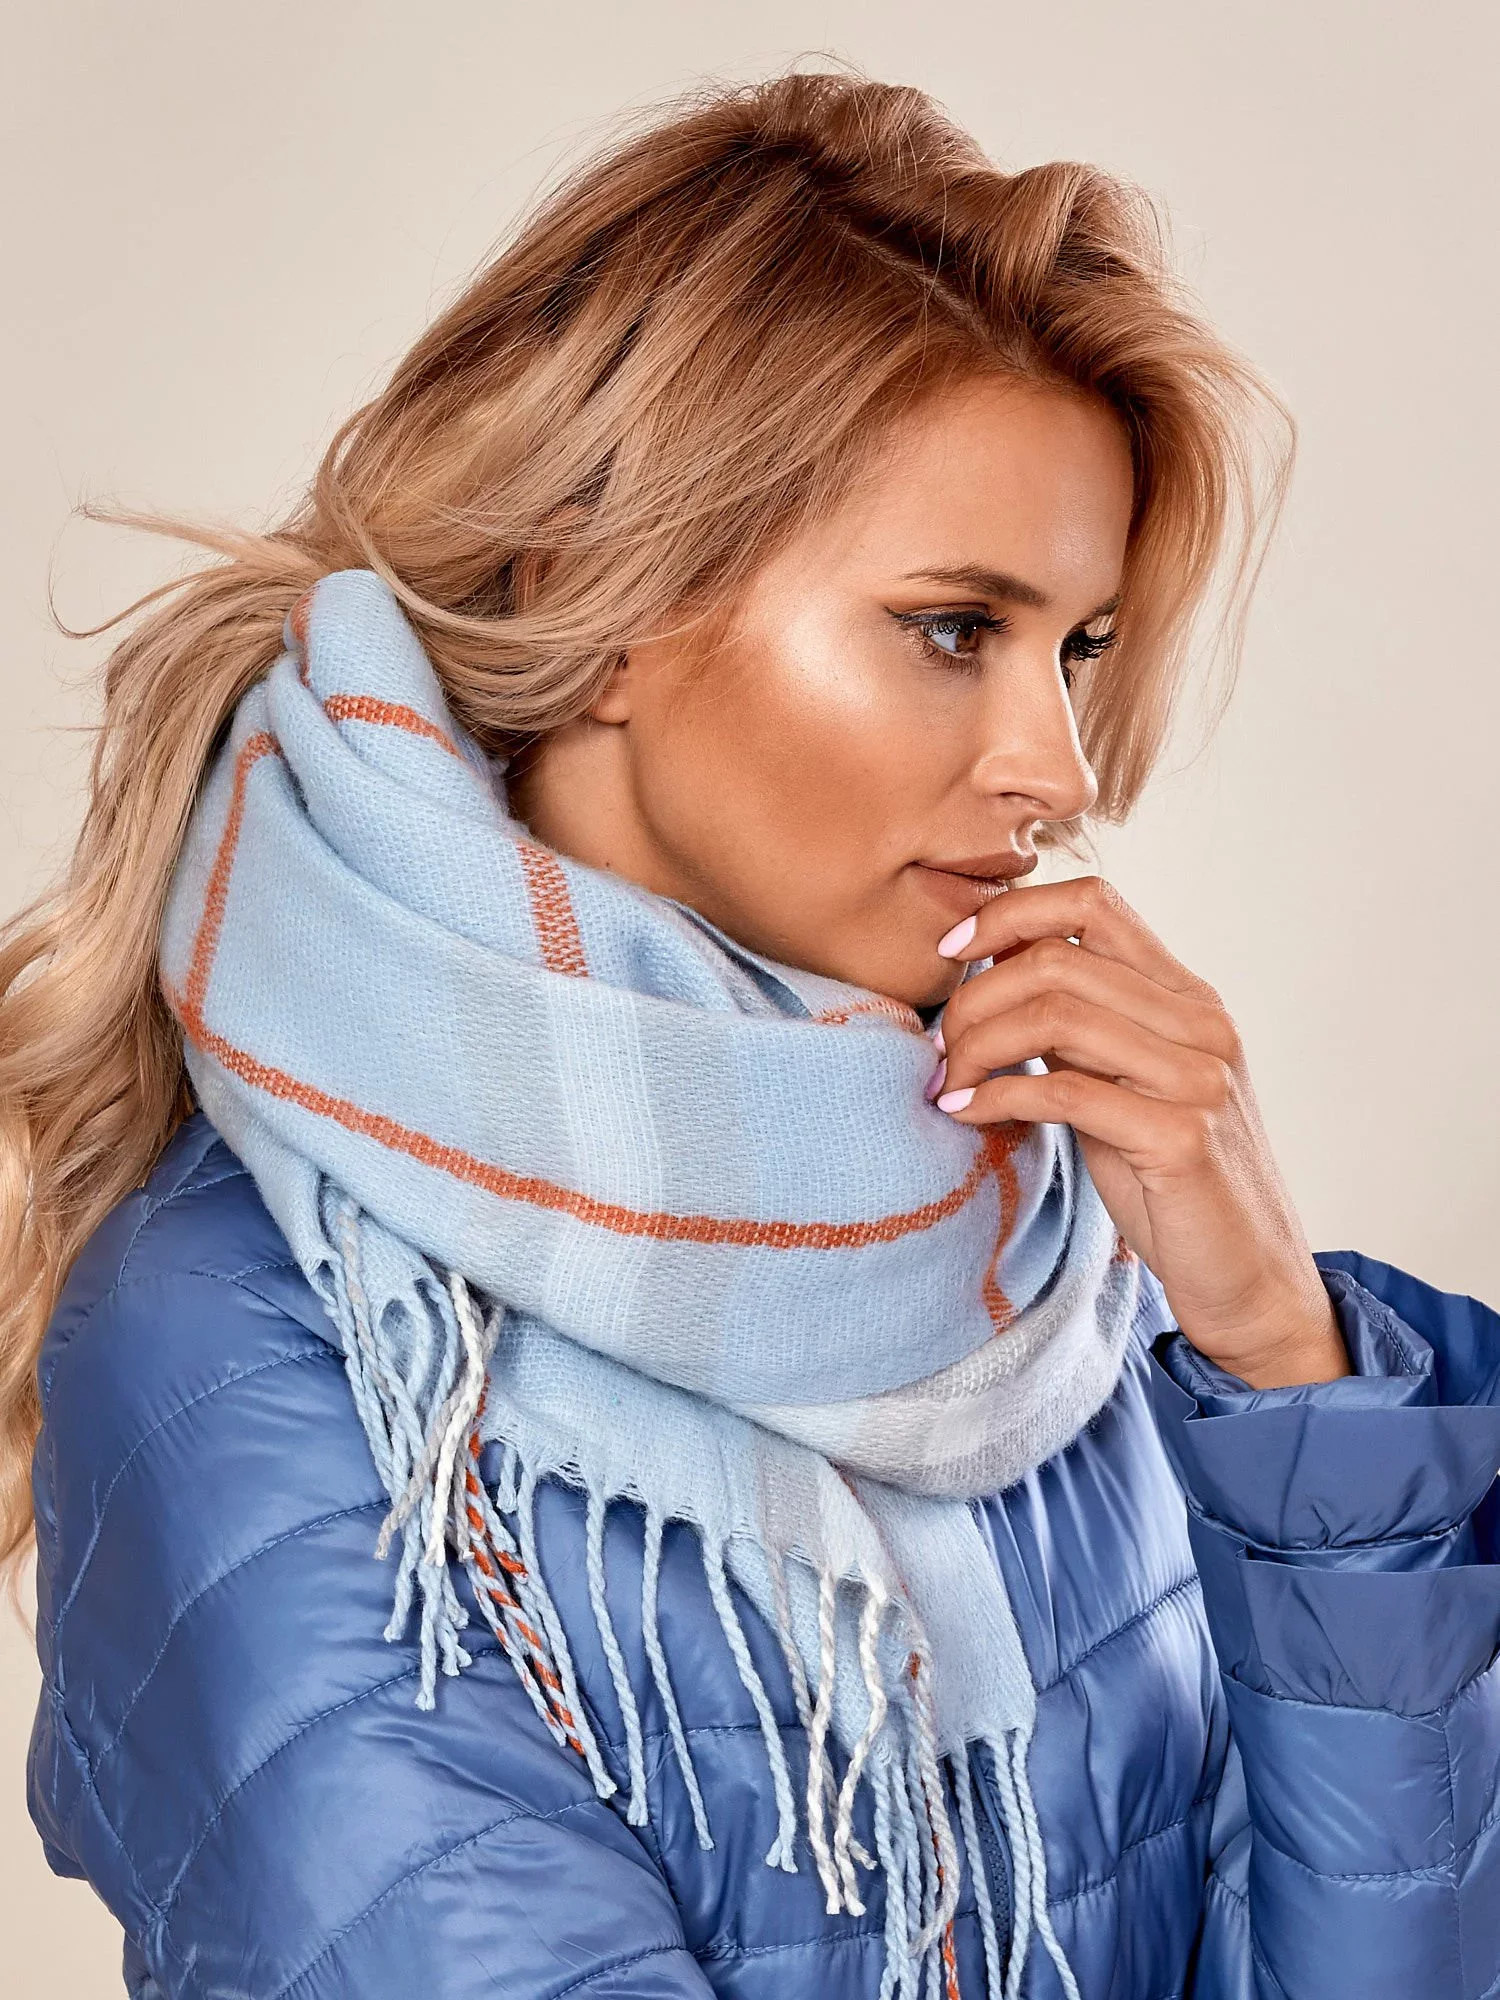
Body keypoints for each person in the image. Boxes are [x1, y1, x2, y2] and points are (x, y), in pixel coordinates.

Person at [4, 68, 1497, 2000]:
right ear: (599, 594)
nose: (1057, 767)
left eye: (1079, 649)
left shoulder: (1051, 1254)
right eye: (954, 627)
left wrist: (1287, 1367)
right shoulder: (244, 1335)